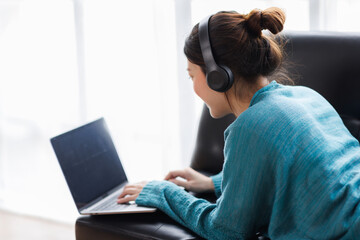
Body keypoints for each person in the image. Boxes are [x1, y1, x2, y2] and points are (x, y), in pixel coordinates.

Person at [117, 7, 360, 239]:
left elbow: (225, 231)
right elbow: (295, 172)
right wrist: (212, 182)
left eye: (192, 75)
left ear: (217, 76)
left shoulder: (251, 125)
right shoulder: (306, 95)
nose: (192, 87)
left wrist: (162, 192)